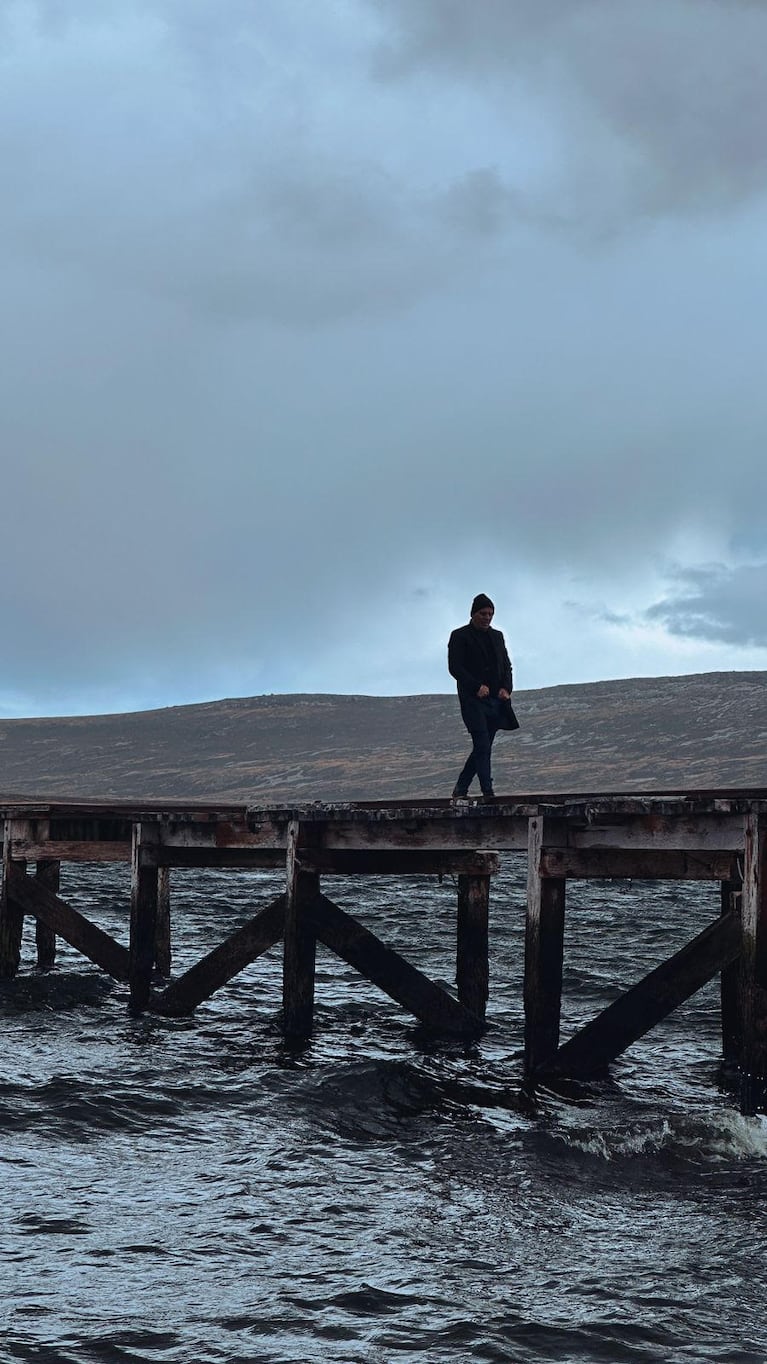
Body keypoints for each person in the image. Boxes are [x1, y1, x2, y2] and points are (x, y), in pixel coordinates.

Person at [448, 593, 519, 800]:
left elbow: (506, 665)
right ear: (473, 614)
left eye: (490, 614)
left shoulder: (497, 636)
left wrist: (507, 688)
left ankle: (461, 788)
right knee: (481, 743)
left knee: (484, 745)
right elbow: (455, 667)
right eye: (483, 613)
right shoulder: (460, 636)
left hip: (496, 701)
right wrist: (476, 686)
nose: (487, 617)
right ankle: (488, 791)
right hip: (473, 701)